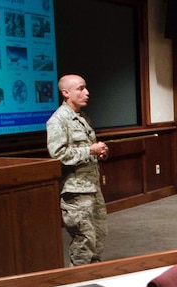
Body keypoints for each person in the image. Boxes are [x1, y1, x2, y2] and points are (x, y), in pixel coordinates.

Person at [46, 74, 109, 266]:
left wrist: (100, 152)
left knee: (98, 236)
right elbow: (58, 154)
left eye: (85, 87)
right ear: (66, 93)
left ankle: (94, 274)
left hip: (92, 187)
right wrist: (90, 150)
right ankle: (78, 278)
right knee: (84, 239)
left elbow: (85, 150)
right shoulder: (58, 120)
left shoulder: (82, 118)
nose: (87, 92)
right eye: (81, 88)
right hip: (75, 192)